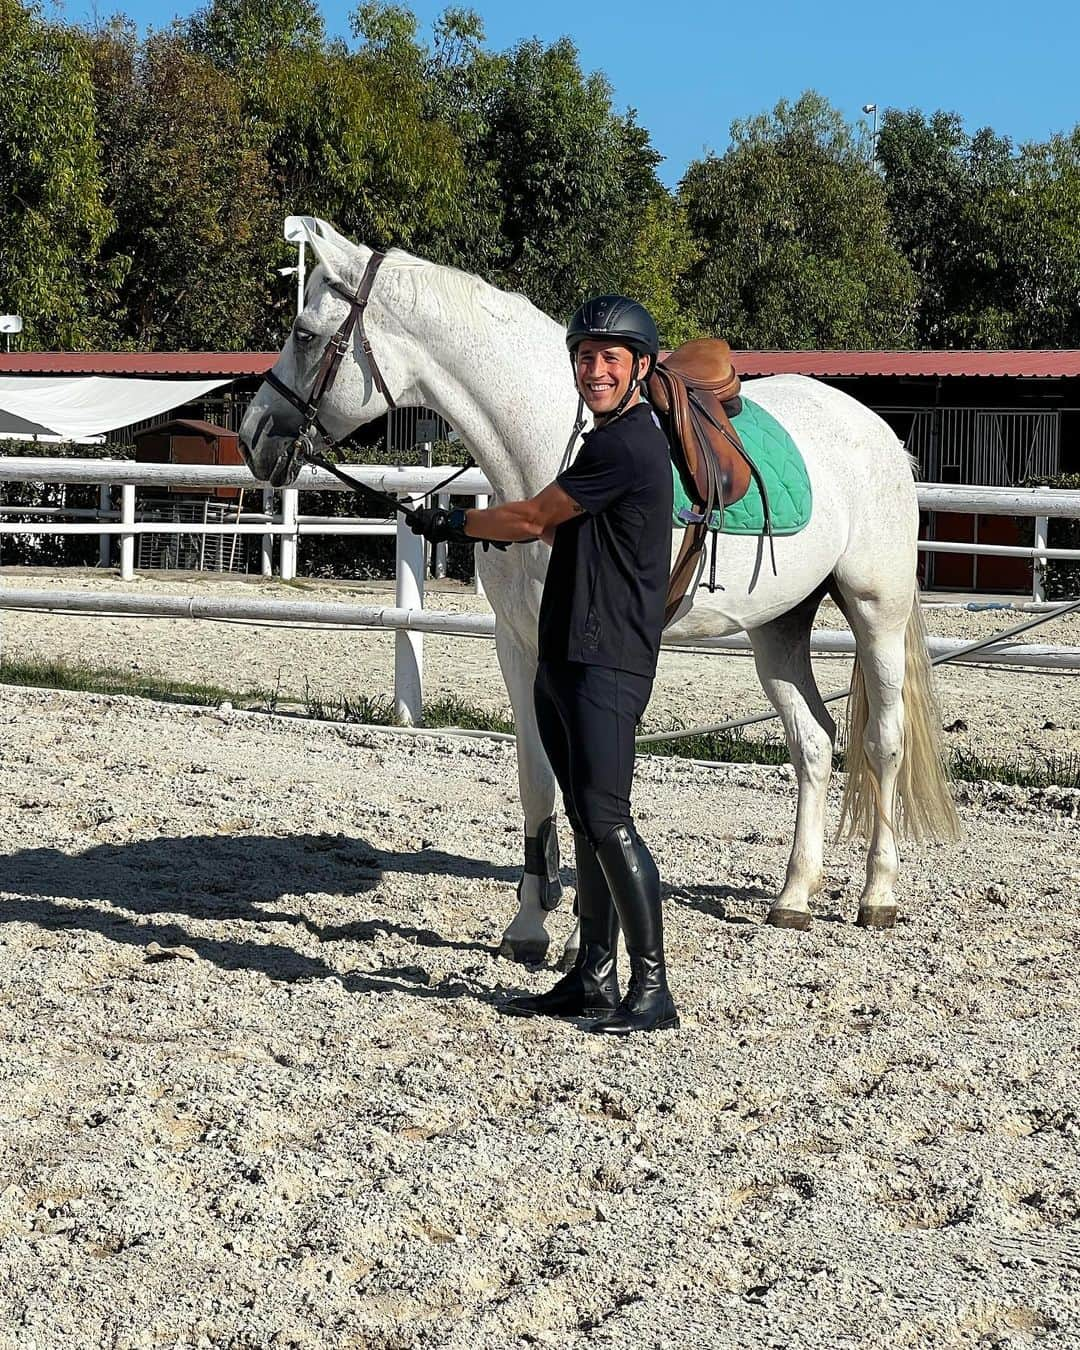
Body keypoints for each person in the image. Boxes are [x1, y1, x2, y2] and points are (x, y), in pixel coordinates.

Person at [408, 296, 677, 1034]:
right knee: (589, 825)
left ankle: (652, 990)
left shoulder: (627, 445)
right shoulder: (600, 445)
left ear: (640, 368)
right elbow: (568, 538)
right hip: (564, 648)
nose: (594, 370)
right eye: (585, 357)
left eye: (609, 359)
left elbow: (530, 518)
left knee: (606, 819)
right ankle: (591, 975)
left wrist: (454, 520)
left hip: (608, 657)